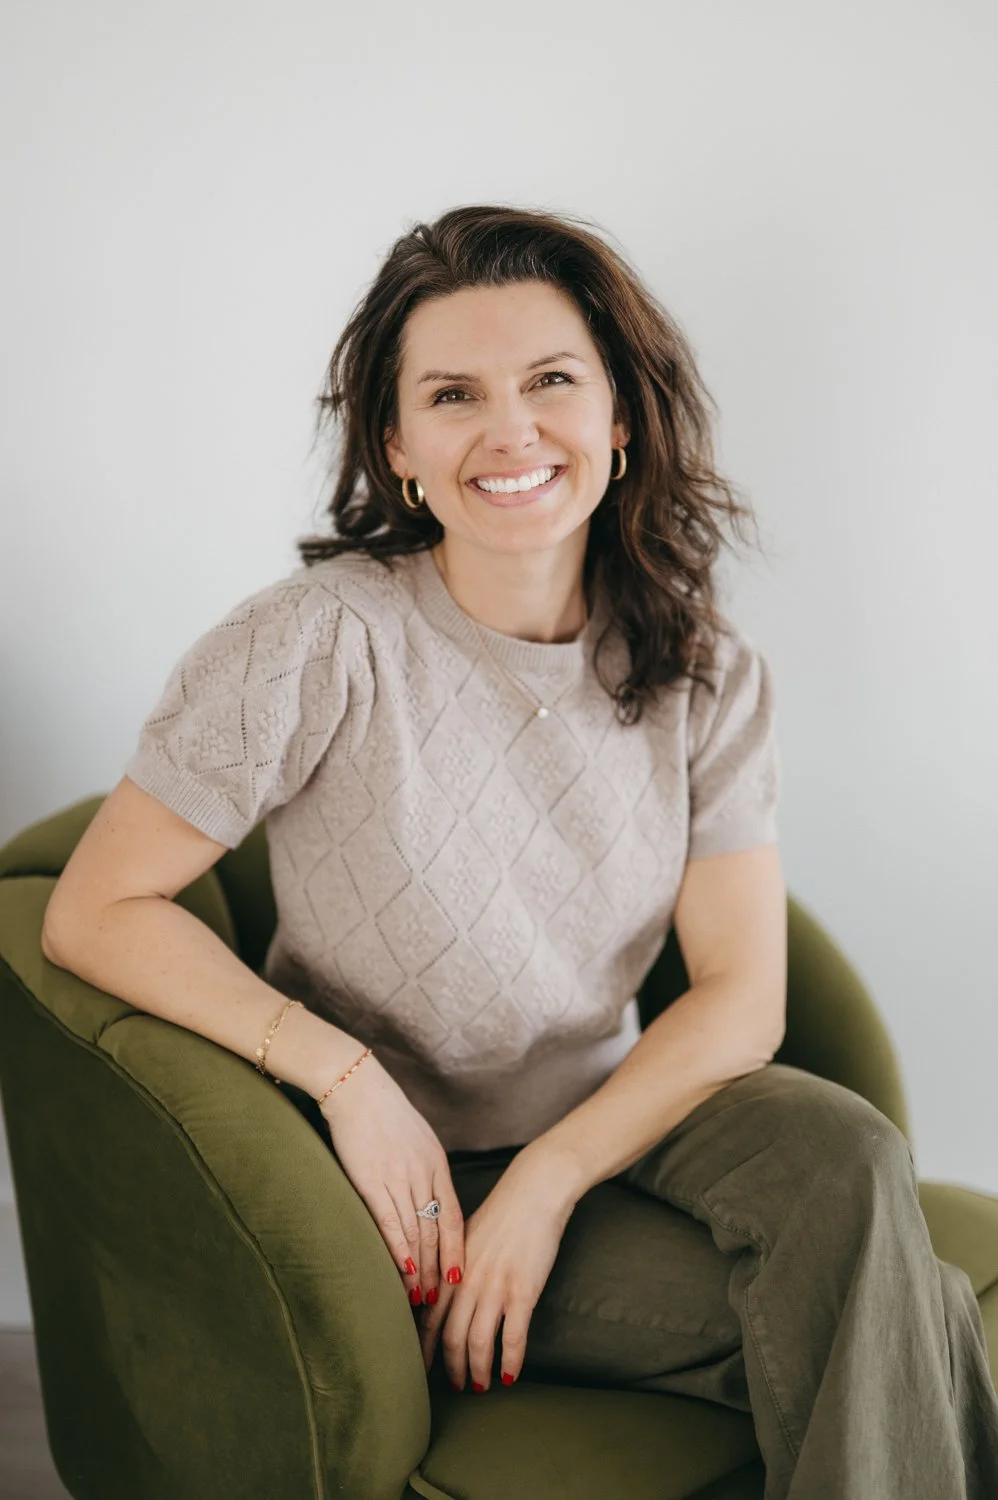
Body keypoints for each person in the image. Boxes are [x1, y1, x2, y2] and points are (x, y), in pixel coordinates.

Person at [41, 204, 998, 1498]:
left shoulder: (705, 670)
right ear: (398, 447)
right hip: (399, 1177)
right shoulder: (314, 643)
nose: (509, 430)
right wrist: (343, 1081)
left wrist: (548, 1181)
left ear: (617, 418)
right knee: (904, 1313)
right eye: (451, 394)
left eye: (551, 380)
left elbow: (739, 999)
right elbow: (95, 908)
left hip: (612, 1125)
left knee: (848, 1159)